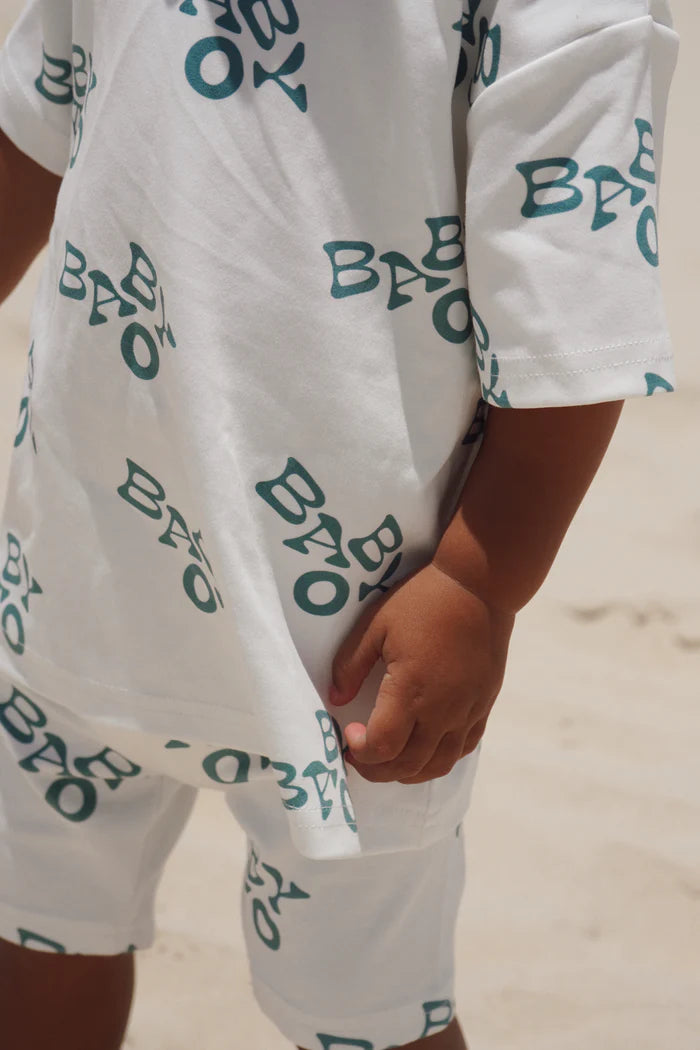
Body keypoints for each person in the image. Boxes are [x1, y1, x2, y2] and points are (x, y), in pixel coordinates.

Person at [0, 1, 679, 1048]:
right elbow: (39, 123)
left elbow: (571, 306)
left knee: (369, 1011)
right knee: (36, 930)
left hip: (361, 641)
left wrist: (476, 582)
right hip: (80, 567)